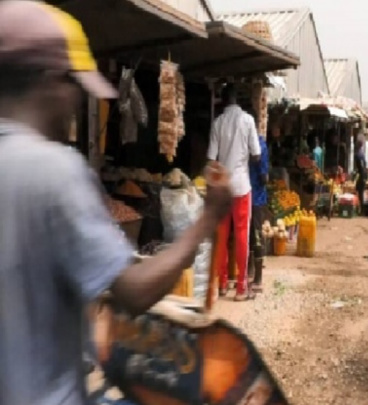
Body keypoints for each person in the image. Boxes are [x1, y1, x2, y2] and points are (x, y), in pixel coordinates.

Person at [0, 2, 233, 404]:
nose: (75, 105)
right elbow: (132, 291)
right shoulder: (54, 169)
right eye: (75, 88)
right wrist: (206, 219)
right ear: (53, 80)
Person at [207, 83, 261, 302]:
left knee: (220, 237)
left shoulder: (217, 123)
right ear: (237, 99)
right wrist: (246, 156)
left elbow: (211, 158)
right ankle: (240, 288)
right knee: (241, 237)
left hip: (222, 187)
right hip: (241, 187)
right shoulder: (247, 120)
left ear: (224, 100)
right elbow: (256, 154)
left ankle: (220, 285)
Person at [248, 117, 269, 294]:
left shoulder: (257, 145)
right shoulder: (259, 144)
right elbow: (264, 177)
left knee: (253, 235)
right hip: (254, 198)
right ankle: (252, 273)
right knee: (253, 235)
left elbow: (263, 177)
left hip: (253, 197)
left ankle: (257, 277)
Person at [354, 133, 368, 212]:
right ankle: (359, 207)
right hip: (362, 174)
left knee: (360, 191)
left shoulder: (359, 154)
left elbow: (362, 166)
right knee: (359, 191)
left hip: (362, 175)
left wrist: (362, 176)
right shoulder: (360, 153)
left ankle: (361, 209)